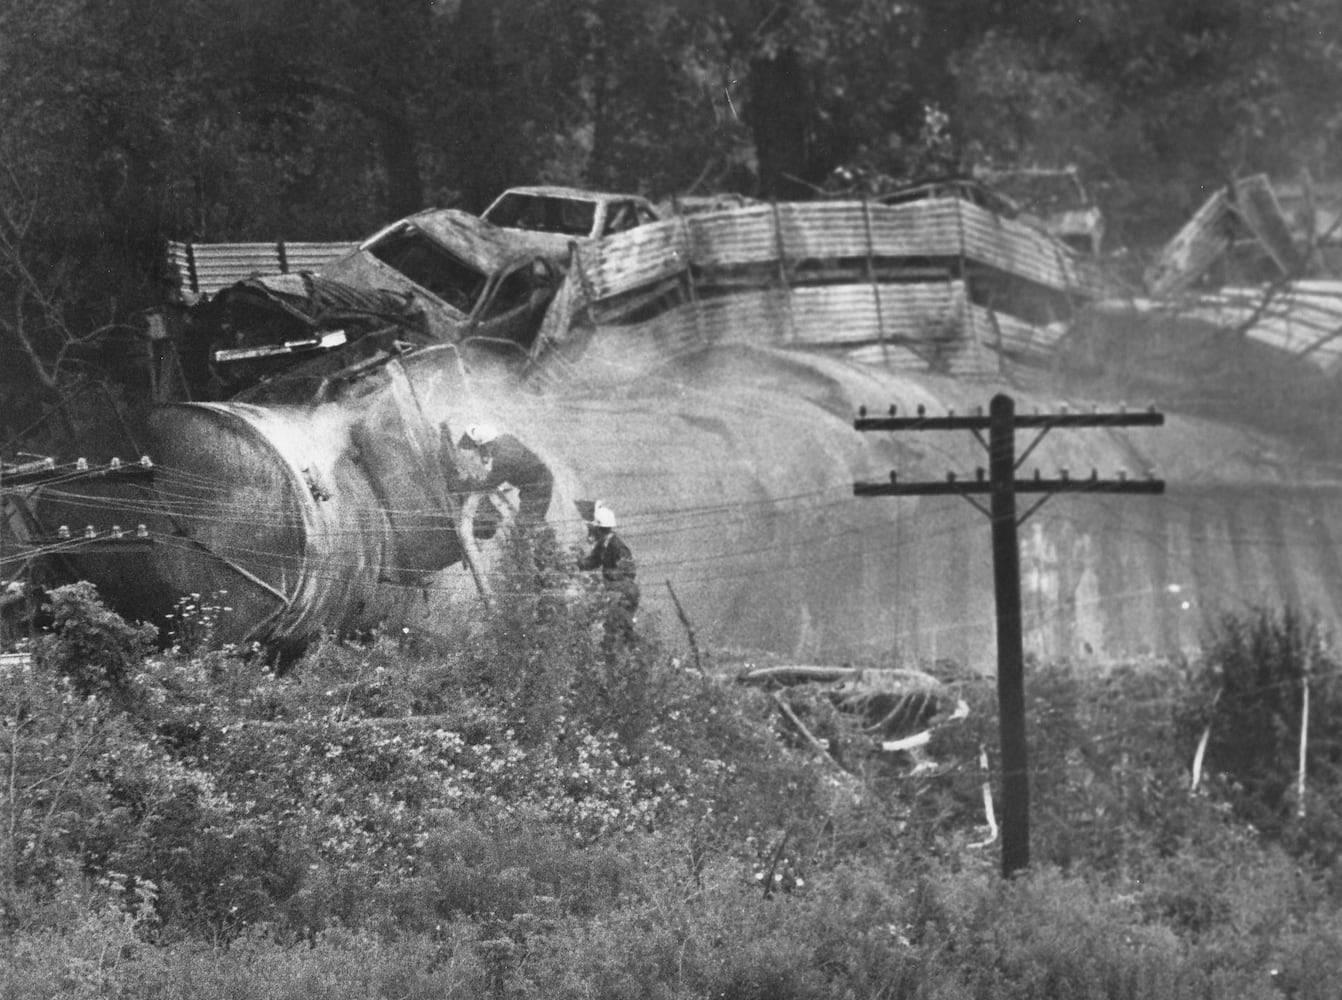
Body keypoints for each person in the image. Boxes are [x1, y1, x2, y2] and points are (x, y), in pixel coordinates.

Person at [580, 503, 639, 644]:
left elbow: (629, 572)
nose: (591, 531)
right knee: (614, 628)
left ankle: (634, 653)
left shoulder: (617, 546)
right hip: (615, 592)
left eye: (593, 528)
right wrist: (577, 563)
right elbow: (593, 561)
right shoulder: (604, 543)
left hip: (624, 594)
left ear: (600, 529)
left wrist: (611, 578)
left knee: (620, 629)